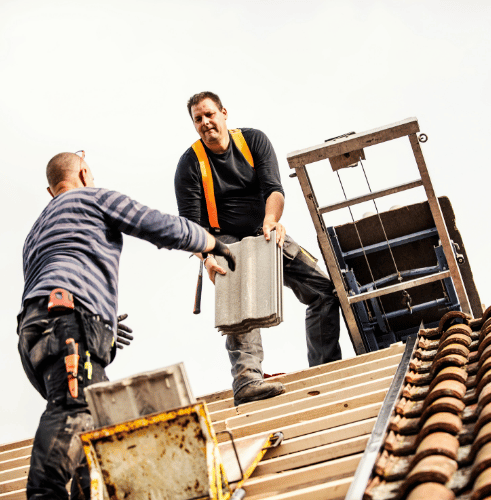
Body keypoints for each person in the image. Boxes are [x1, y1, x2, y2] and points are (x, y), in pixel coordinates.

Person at [18, 151, 235, 500]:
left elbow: (54, 279)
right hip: (69, 320)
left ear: (50, 190)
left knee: (94, 430)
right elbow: (159, 226)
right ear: (85, 173)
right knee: (75, 411)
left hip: (38, 332)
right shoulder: (92, 197)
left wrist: (100, 320)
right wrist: (211, 242)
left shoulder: (36, 231)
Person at [174, 91, 341, 407]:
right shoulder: (189, 165)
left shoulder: (253, 141)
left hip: (264, 230)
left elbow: (274, 189)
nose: (205, 122)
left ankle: (325, 366)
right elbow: (190, 229)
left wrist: (271, 220)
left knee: (323, 290)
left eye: (209, 114)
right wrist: (208, 258)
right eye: (198, 119)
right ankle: (248, 381)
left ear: (224, 113)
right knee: (239, 304)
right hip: (224, 242)